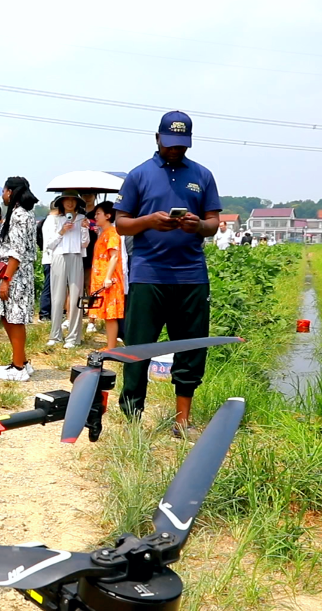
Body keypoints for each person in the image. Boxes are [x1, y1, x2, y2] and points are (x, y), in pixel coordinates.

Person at [115, 111, 222, 439]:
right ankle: (132, 420)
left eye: (182, 145)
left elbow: (213, 223)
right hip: (149, 275)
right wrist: (148, 221)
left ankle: (182, 420)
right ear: (157, 138)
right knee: (137, 348)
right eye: (171, 143)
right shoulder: (138, 176)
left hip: (191, 276)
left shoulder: (202, 176)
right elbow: (121, 223)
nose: (176, 150)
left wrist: (198, 226)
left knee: (191, 349)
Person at [0, 177, 39, 382]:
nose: (2, 195)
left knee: (15, 318)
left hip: (15, 273)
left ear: (10, 192)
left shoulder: (20, 215)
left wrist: (6, 280)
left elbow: (17, 251)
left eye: (4, 190)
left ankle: (18, 367)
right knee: (6, 316)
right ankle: (22, 360)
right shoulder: (24, 213)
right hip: (16, 272)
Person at [46, 191, 88, 348]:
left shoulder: (82, 219)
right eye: (67, 200)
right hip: (59, 256)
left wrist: (84, 229)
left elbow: (84, 244)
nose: (70, 203)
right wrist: (62, 231)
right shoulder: (54, 219)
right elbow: (49, 244)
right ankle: (55, 335)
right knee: (57, 297)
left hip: (76, 256)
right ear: (61, 202)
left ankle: (73, 337)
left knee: (76, 296)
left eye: (73, 200)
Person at [88, 201, 125, 350]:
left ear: (108, 215)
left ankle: (111, 347)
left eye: (98, 213)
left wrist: (108, 278)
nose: (96, 216)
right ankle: (110, 345)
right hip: (102, 279)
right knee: (107, 314)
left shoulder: (112, 233)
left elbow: (114, 257)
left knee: (111, 315)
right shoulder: (103, 233)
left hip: (110, 280)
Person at [38, 200, 62, 321]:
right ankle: (44, 312)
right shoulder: (52, 221)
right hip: (51, 259)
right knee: (49, 287)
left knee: (51, 286)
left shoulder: (47, 220)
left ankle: (47, 312)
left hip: (49, 258)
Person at [81, 192, 101, 334]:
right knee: (74, 286)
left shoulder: (98, 212)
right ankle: (72, 317)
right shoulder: (78, 212)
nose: (87, 197)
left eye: (90, 194)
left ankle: (92, 319)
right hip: (79, 252)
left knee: (90, 285)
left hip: (94, 252)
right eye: (84, 194)